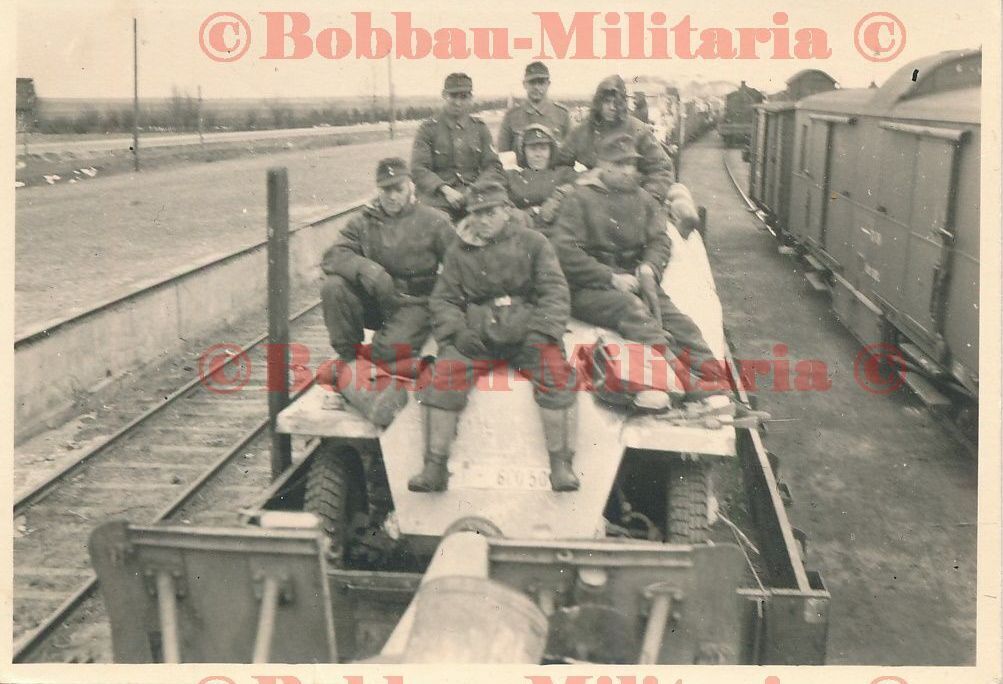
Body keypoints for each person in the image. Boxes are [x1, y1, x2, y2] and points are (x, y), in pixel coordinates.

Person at [411, 180, 580, 493]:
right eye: (477, 213)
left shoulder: (534, 243)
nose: (483, 220)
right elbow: (443, 299)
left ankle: (560, 465)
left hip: (526, 329)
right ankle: (435, 466)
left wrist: (542, 332)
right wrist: (457, 332)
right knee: (444, 376)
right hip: (478, 334)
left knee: (556, 374)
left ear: (506, 210)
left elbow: (555, 291)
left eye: (490, 212)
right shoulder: (459, 252)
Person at [551, 133, 728, 398]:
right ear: (602, 165)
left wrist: (649, 268)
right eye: (619, 164)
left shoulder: (642, 199)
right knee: (634, 311)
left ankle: (718, 380)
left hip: (635, 279)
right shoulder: (579, 199)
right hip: (588, 288)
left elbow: (660, 240)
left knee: (677, 320)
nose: (627, 171)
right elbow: (564, 251)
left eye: (631, 165)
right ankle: (683, 379)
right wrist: (610, 277)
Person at [320, 158, 453, 372]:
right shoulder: (363, 220)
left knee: (388, 352)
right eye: (385, 190)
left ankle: (375, 357)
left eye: (397, 189)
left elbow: (459, 264)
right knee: (333, 286)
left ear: (410, 187)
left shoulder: (435, 221)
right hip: (377, 300)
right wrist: (369, 270)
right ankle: (347, 356)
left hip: (415, 303)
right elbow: (333, 255)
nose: (391, 196)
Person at [558, 75, 675, 203]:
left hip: (631, 196)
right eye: (607, 101)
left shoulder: (637, 129)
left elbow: (662, 167)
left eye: (617, 103)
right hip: (593, 197)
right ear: (598, 102)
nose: (612, 107)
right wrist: (582, 178)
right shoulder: (583, 131)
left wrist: (649, 197)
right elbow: (559, 164)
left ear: (623, 104)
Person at [411, 72, 504, 221]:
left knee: (498, 221)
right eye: (453, 96)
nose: (458, 102)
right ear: (444, 95)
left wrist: (473, 190)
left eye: (464, 97)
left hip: (475, 195)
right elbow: (418, 169)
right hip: (438, 198)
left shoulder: (480, 128)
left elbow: (493, 166)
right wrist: (445, 190)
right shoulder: (428, 128)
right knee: (435, 225)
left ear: (471, 98)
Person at [503, 123, 578, 234]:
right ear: (523, 151)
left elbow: (583, 184)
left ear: (551, 151)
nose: (538, 154)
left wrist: (558, 199)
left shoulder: (564, 173)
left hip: (556, 232)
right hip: (522, 232)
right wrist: (514, 211)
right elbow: (493, 193)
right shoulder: (512, 175)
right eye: (533, 149)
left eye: (543, 148)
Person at [497, 62, 572, 153]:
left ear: (548, 84)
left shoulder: (562, 115)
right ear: (524, 84)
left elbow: (570, 153)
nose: (536, 87)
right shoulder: (511, 117)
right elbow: (504, 154)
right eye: (532, 82)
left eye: (541, 83)